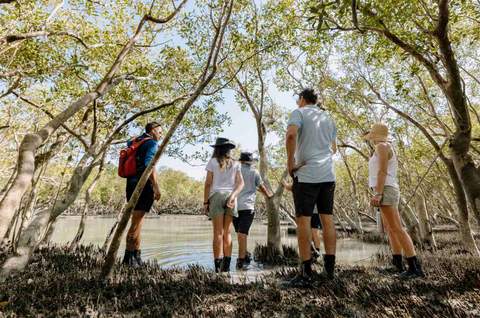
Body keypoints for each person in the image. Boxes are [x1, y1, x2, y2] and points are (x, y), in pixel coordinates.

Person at [285, 88, 338, 286]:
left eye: (297, 99)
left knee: (304, 222)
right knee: (328, 220)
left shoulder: (298, 113)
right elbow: (334, 149)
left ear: (301, 99)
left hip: (306, 175)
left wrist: (291, 164)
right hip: (327, 175)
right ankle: (330, 271)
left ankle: (305, 273)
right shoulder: (328, 117)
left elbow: (291, 136)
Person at [364, 123, 424, 278]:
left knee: (397, 228)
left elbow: (382, 171)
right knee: (390, 229)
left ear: (375, 136)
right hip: (385, 188)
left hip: (386, 189)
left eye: (371, 136)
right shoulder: (383, 146)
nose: (370, 140)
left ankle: (415, 268)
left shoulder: (382, 147)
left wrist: (378, 193)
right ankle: (397, 264)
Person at [123, 122, 162, 266]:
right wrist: (156, 187)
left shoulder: (136, 141)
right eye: (159, 131)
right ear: (152, 131)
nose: (160, 134)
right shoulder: (151, 143)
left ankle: (136, 257)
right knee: (136, 223)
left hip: (130, 184)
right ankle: (128, 259)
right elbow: (149, 165)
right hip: (142, 185)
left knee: (138, 221)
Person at [203, 137, 244, 273]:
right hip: (231, 198)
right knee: (227, 232)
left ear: (217, 148)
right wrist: (233, 196)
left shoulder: (213, 162)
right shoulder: (236, 163)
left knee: (218, 233)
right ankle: (226, 267)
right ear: (229, 150)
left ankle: (217, 267)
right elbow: (240, 184)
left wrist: (205, 202)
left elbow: (208, 183)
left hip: (217, 196)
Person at [234, 152, 273, 270]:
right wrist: (269, 195)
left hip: (235, 207)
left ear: (241, 161)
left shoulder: (234, 171)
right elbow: (261, 187)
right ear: (250, 162)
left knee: (240, 234)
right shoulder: (254, 172)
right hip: (247, 207)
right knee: (243, 234)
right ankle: (242, 260)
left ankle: (243, 257)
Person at [283, 180, 322, 261]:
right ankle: (315, 251)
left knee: (310, 231)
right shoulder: (317, 178)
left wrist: (284, 183)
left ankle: (314, 251)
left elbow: (291, 187)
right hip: (315, 209)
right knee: (314, 231)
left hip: (308, 210)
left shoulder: (303, 178)